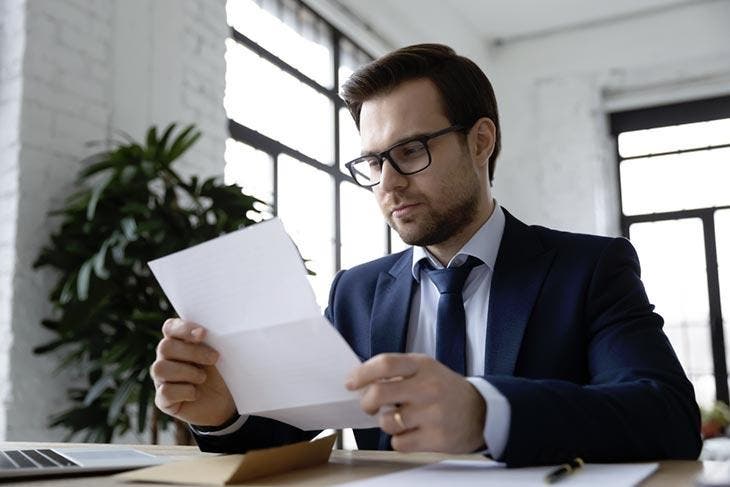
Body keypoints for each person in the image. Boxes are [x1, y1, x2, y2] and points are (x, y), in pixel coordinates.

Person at [150, 43, 702, 466]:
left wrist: (486, 414)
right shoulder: (356, 292)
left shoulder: (589, 269)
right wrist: (222, 412)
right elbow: (287, 430)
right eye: (373, 163)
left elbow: (668, 418)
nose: (388, 184)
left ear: (481, 142)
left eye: (410, 151)